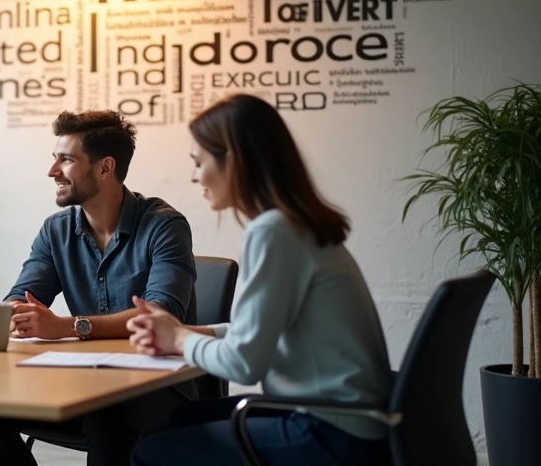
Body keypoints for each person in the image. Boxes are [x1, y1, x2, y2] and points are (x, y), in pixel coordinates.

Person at [127, 93, 393, 466]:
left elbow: (243, 364)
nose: (193, 176)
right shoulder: (296, 226)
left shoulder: (273, 232)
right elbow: (258, 332)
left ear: (233, 160)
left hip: (330, 432)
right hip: (347, 419)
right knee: (175, 421)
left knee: (148, 453)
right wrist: (188, 333)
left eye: (199, 162)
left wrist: (180, 338)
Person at [0, 110, 198, 466]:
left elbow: (161, 316)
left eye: (66, 160)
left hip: (156, 386)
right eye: (54, 159)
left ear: (105, 167)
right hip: (83, 381)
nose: (52, 171)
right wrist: (18, 312)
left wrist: (67, 327)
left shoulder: (164, 225)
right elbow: (23, 295)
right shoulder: (56, 230)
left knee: (108, 421)